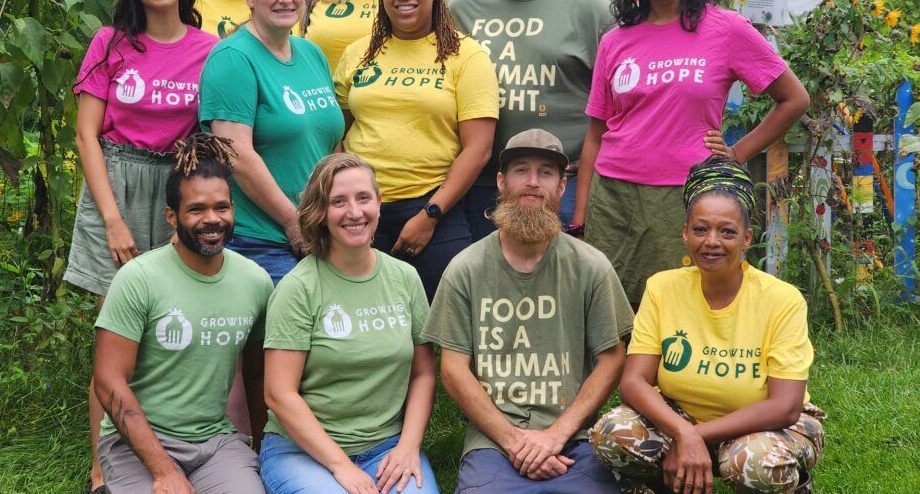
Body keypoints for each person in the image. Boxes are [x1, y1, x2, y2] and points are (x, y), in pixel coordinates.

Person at [573, 0, 809, 305]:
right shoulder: (616, 41)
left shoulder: (726, 29)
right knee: (609, 312)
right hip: (612, 199)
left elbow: (794, 99)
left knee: (680, 309)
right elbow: (596, 134)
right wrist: (581, 217)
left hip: (684, 195)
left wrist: (737, 154)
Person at [64, 0, 219, 494]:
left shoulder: (209, 48)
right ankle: (102, 464)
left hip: (177, 191)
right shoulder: (110, 43)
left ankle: (178, 444)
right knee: (117, 328)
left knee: (175, 319)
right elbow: (86, 136)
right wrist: (111, 218)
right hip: (118, 183)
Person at [590, 158, 825, 494]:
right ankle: (664, 483)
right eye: (700, 229)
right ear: (685, 234)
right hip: (681, 416)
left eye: (727, 231)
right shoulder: (662, 287)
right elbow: (634, 381)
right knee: (612, 433)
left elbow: (784, 406)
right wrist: (682, 431)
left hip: (763, 426)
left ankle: (794, 484)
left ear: (746, 238)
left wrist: (694, 436)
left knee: (754, 462)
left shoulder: (781, 300)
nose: (711, 241)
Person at [423, 128, 634, 494]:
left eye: (546, 172)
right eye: (521, 170)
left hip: (575, 440)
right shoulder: (466, 268)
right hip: (493, 443)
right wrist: (514, 441)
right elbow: (453, 371)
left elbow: (613, 359)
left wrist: (556, 434)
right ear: (502, 182)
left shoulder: (590, 266)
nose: (533, 182)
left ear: (561, 187)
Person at [94, 133, 272, 494]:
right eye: (196, 210)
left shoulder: (255, 281)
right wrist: (164, 472)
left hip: (216, 442)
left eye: (222, 207)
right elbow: (108, 381)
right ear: (172, 216)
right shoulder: (138, 279)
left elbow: (256, 375)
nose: (212, 219)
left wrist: (265, 450)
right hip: (136, 444)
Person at [260, 153, 439, 494]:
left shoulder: (404, 278)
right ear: (321, 212)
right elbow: (279, 393)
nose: (355, 213)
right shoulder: (299, 288)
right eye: (338, 202)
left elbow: (424, 372)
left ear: (379, 203)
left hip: (387, 447)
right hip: (302, 451)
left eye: (363, 198)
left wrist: (408, 447)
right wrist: (341, 467)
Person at [333, 0, 499, 300]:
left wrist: (430, 215)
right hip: (360, 212)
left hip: (433, 207)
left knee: (444, 326)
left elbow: (479, 149)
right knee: (366, 320)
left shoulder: (465, 54)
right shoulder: (358, 53)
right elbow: (339, 133)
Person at [448, 0, 614, 241]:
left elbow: (619, 99)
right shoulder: (463, 10)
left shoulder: (590, 8)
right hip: (485, 183)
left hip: (562, 183)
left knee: (562, 285)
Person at [200, 0, 343, 285]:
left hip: (320, 233)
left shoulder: (311, 53)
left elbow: (331, 142)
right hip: (263, 240)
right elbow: (236, 155)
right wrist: (294, 222)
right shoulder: (232, 58)